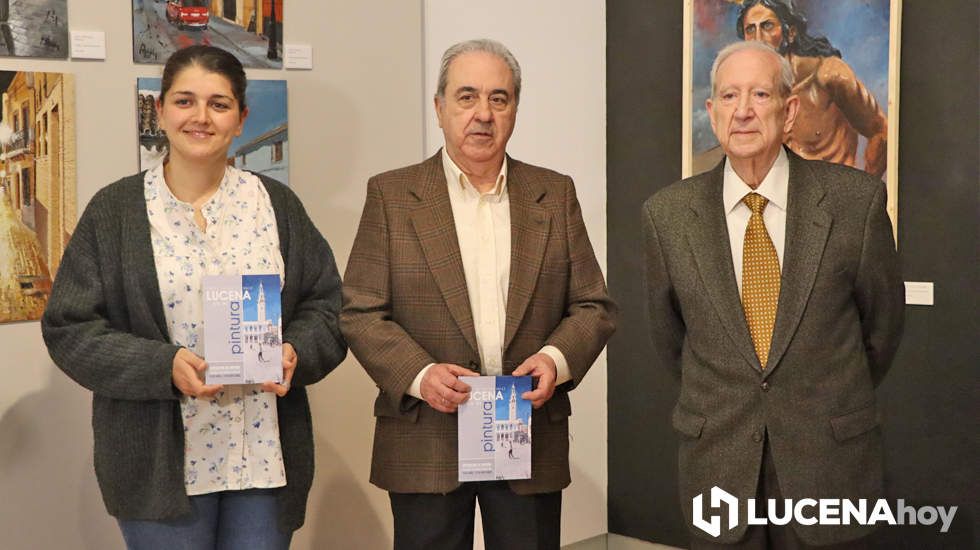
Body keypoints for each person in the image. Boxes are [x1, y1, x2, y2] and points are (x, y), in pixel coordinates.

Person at [41, 45, 346, 549]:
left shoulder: (276, 206)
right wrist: (163, 365)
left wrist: (296, 352)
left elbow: (328, 306)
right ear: (159, 111)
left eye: (219, 104)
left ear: (241, 119)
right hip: (159, 472)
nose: (200, 117)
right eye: (185, 101)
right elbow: (69, 328)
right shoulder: (113, 212)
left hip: (264, 462)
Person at [341, 39, 616, 550]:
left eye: (499, 98)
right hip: (427, 433)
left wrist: (555, 360)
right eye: (466, 97)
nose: (483, 114)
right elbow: (361, 312)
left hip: (526, 431)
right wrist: (421, 376)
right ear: (439, 107)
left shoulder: (554, 194)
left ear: (515, 110)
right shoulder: (392, 195)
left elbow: (592, 305)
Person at [642, 41, 903, 549]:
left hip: (829, 461)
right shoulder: (667, 216)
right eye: (728, 95)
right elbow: (671, 339)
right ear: (710, 111)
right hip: (718, 463)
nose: (742, 111)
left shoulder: (856, 203)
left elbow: (882, 329)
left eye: (760, 94)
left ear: (789, 112)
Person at [737, 0, 889, 178]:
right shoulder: (752, 93)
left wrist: (864, 194)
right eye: (750, 30)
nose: (758, 39)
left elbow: (881, 131)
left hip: (835, 198)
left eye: (767, 26)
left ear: (791, 33)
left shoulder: (830, 74)